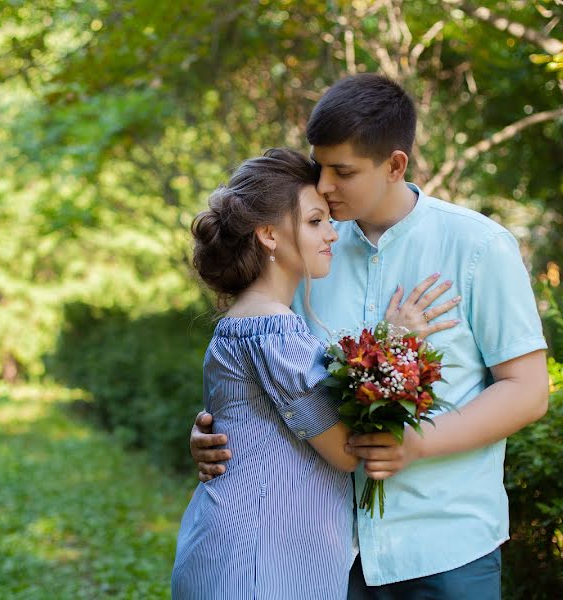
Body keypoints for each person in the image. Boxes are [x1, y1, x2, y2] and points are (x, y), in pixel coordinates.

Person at [190, 74, 549, 600]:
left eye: (344, 171)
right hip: (327, 557)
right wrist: (220, 434)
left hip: (445, 547)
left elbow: (527, 389)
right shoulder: (310, 252)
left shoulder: (478, 246)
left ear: (395, 165)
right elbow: (277, 375)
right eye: (320, 168)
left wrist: (415, 444)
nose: (327, 185)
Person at [171, 148, 458, 600]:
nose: (332, 235)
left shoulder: (248, 322)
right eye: (315, 222)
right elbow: (345, 452)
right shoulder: (273, 331)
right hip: (257, 561)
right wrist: (396, 342)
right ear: (268, 234)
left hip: (244, 551)